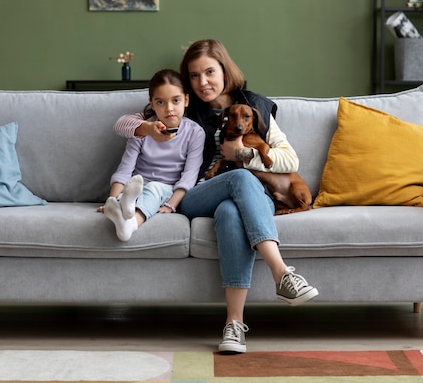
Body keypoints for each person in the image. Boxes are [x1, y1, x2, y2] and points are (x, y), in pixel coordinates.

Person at [113, 39, 318, 353]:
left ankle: (233, 325)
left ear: (225, 69)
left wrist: (247, 153)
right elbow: (131, 124)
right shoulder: (182, 107)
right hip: (198, 195)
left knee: (230, 213)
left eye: (209, 72)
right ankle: (282, 273)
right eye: (194, 76)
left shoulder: (256, 106)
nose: (202, 82)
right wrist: (148, 129)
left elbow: (291, 161)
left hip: (253, 194)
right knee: (235, 179)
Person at [98, 69, 205, 241]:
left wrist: (171, 204)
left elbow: (189, 176)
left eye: (175, 100)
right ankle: (121, 205)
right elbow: (125, 169)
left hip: (165, 188)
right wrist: (110, 199)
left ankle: (130, 225)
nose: (169, 109)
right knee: (128, 192)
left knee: (153, 188)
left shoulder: (195, 132)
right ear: (152, 103)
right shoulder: (142, 128)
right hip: (137, 184)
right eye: (160, 102)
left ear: (186, 100)